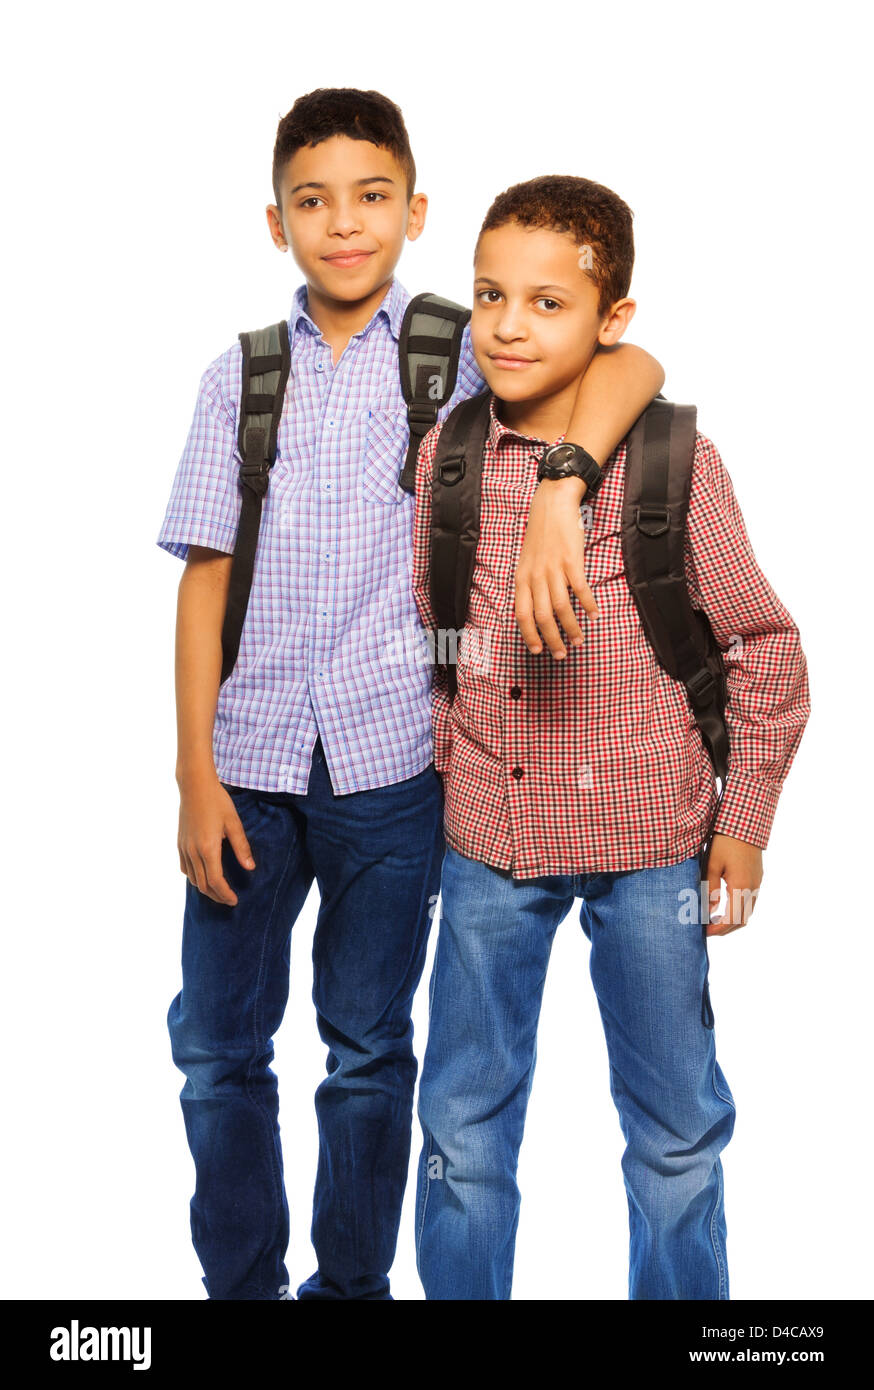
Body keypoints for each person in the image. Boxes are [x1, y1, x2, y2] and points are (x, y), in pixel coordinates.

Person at [156, 93, 665, 1301]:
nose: (344, 224)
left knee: (370, 1049)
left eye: (371, 196)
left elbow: (631, 361)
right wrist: (192, 772)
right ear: (274, 222)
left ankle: (350, 1291)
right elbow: (201, 585)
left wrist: (557, 490)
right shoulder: (242, 379)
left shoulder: (455, 354)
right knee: (218, 1052)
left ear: (414, 211)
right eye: (313, 201)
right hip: (251, 767)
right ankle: (241, 1289)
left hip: (393, 771)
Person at [411, 174, 811, 1300]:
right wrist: (447, 788)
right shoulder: (446, 461)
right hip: (489, 839)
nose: (506, 325)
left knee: (676, 1130)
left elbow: (765, 649)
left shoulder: (674, 463)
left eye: (546, 302)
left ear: (610, 321)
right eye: (490, 295)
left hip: (653, 841)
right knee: (460, 1130)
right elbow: (438, 642)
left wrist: (745, 825)